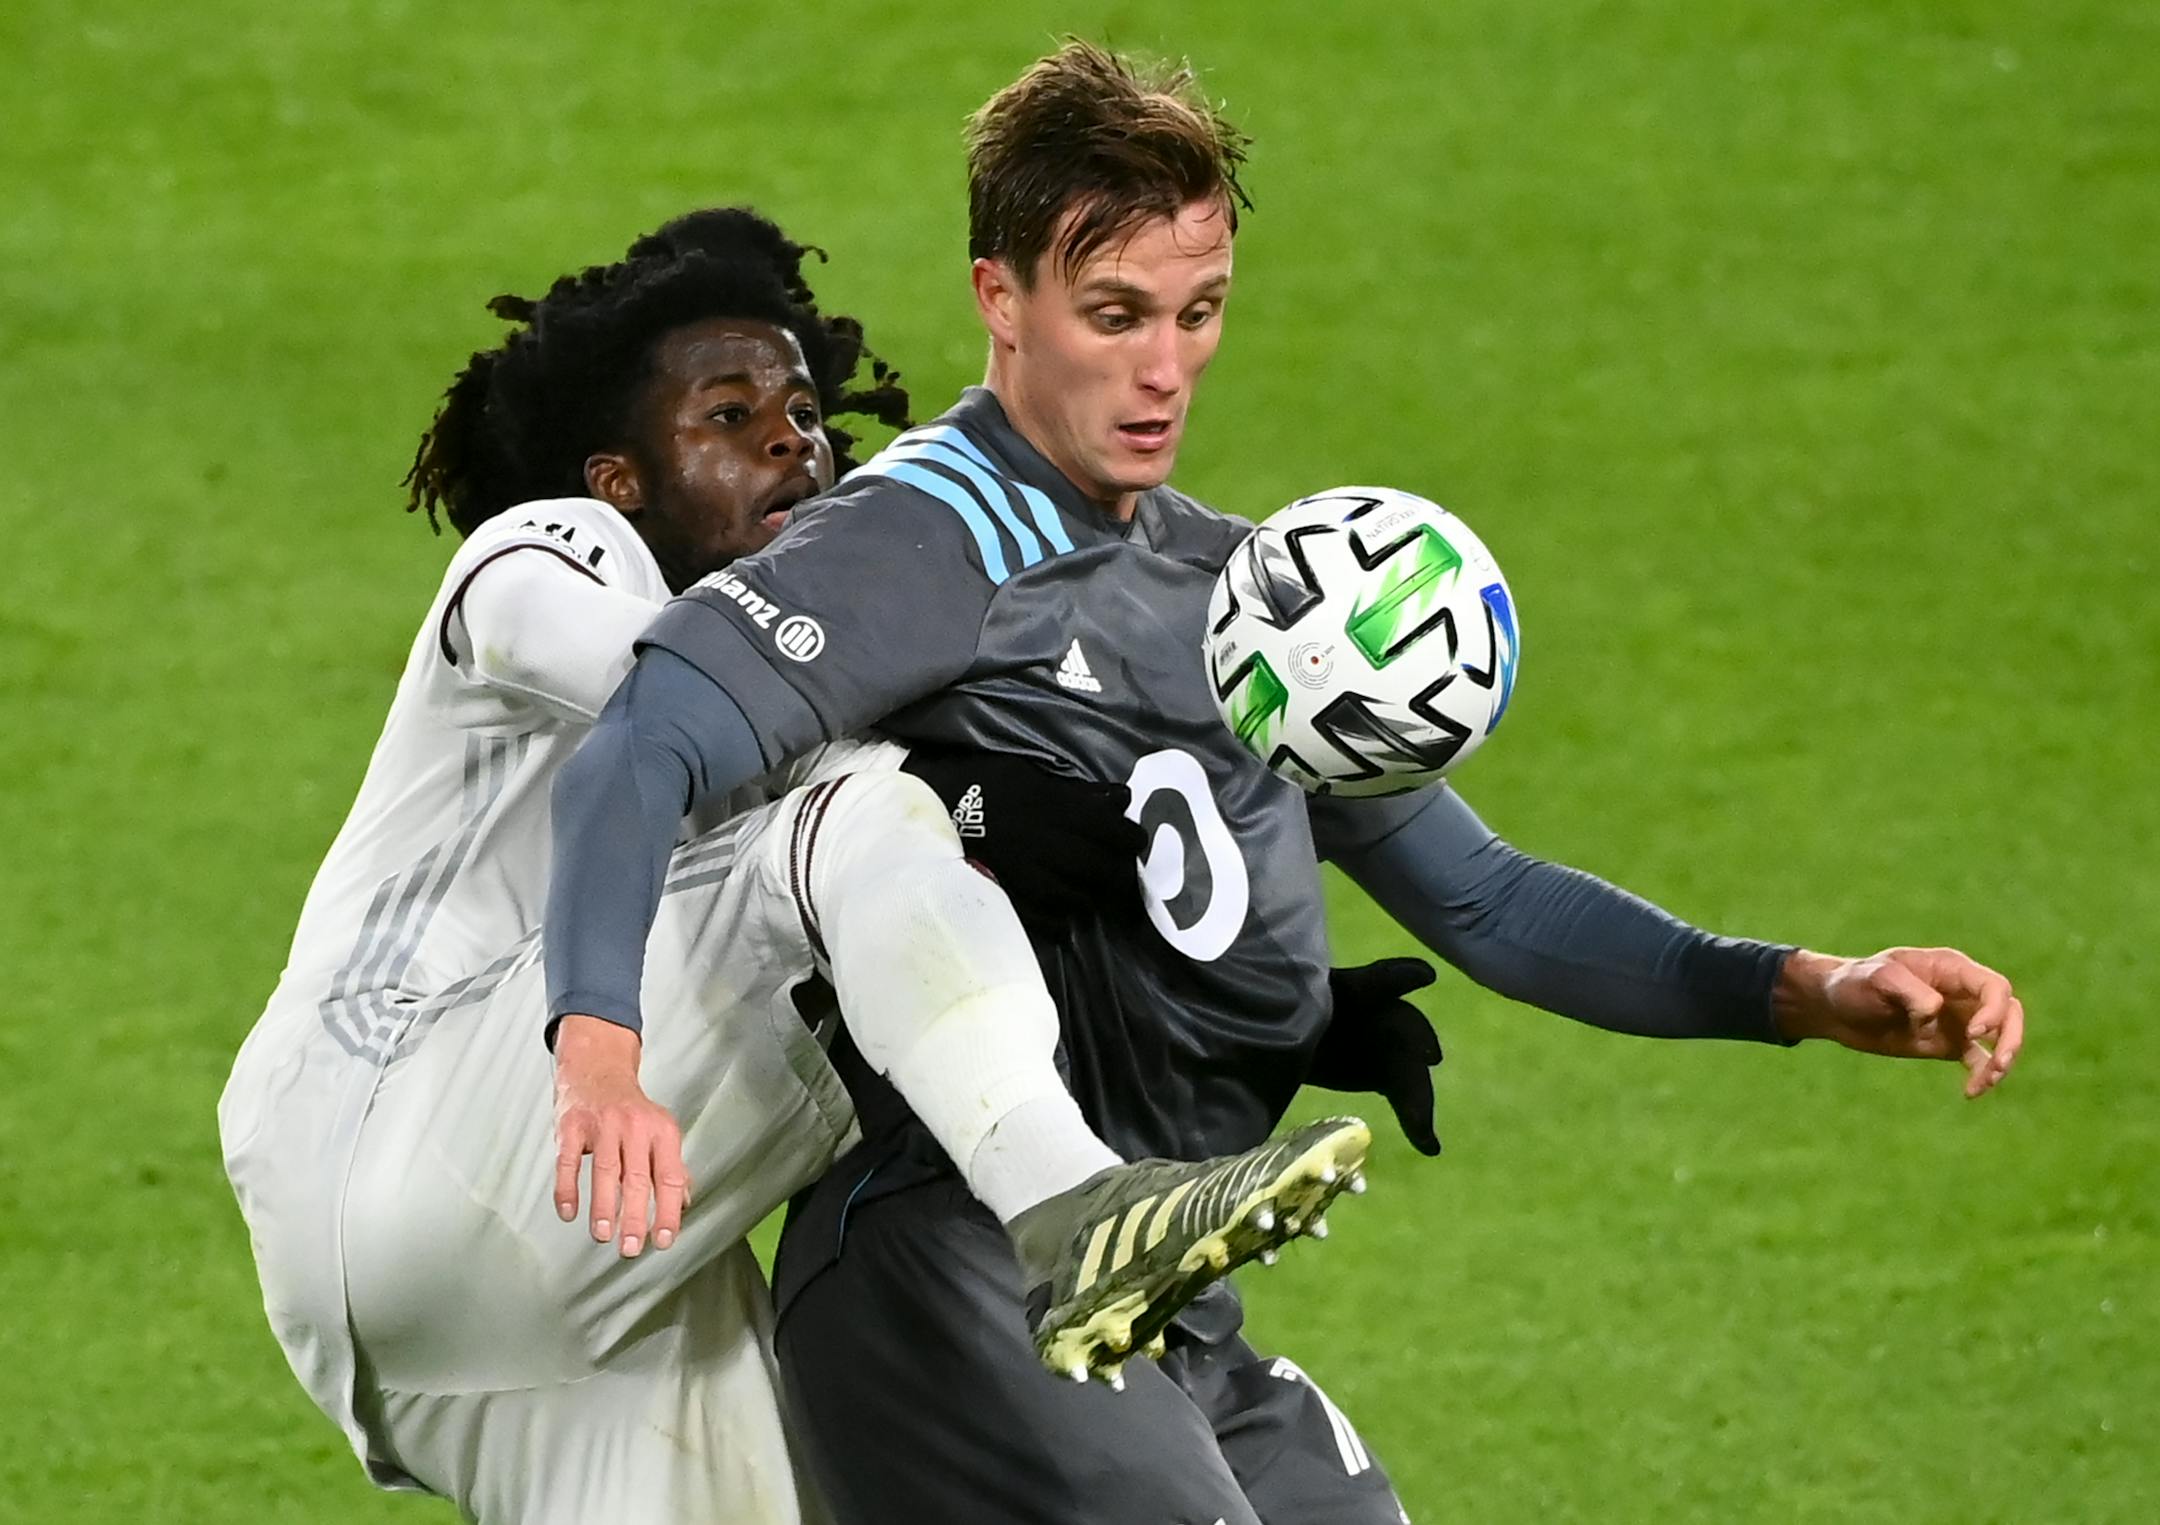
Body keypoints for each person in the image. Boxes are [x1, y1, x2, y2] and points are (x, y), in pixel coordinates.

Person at [542, 41, 2025, 1525]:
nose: (1165, 367)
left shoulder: (1235, 593)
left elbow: (1487, 900)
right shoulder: (920, 541)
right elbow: (644, 741)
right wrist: (597, 1053)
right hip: (962, 1269)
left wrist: (1813, 989)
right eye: (1114, 316)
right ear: (1001, 299)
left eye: (1199, 314)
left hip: (1178, 1294)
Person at [217, 207, 1370, 1525]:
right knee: (859, 810)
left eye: (806, 411)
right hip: (386, 1131)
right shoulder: (547, 551)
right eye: (726, 414)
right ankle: (1077, 1216)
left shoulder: (821, 676)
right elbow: (640, 689)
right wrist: (966, 788)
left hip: (558, 1283)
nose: (789, 437)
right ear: (616, 477)